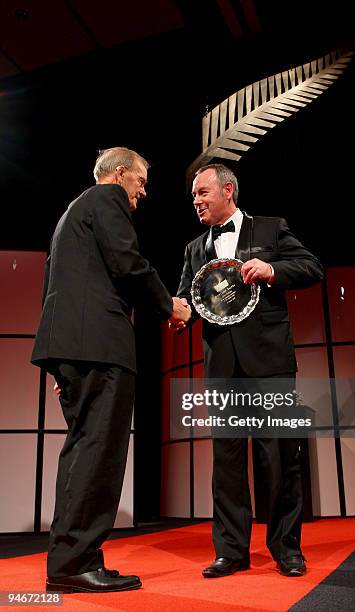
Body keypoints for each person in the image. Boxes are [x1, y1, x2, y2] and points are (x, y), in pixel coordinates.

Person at [31, 147, 191, 593]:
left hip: (72, 345)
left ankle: (74, 559)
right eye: (140, 183)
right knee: (99, 451)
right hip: (98, 345)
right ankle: (74, 563)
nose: (142, 194)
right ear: (120, 174)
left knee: (85, 449)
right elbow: (128, 261)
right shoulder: (106, 200)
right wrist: (169, 306)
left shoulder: (71, 213)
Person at [175, 163, 323, 578]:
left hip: (269, 363)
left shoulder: (271, 229)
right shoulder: (193, 249)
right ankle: (231, 551)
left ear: (228, 190)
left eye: (203, 193)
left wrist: (273, 270)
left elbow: (312, 267)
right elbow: (188, 298)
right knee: (227, 462)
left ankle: (286, 548)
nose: (197, 201)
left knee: (278, 456)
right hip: (221, 367)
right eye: (193, 196)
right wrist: (176, 312)